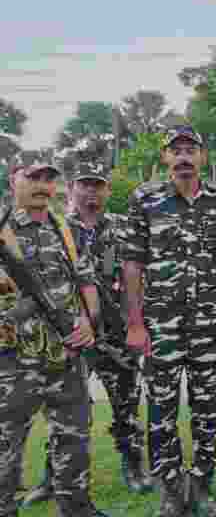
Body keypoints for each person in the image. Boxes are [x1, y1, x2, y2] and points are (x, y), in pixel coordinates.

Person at [123, 125, 216, 517]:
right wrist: (136, 322)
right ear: (165, 158)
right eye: (175, 150)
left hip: (208, 323)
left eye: (190, 149)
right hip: (160, 325)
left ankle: (203, 486)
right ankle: (171, 490)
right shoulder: (145, 199)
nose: (183, 156)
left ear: (202, 157)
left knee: (207, 408)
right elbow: (132, 262)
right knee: (161, 407)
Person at [21, 160, 151, 507]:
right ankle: (54, 477)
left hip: (115, 334)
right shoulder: (56, 227)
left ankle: (133, 466)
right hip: (72, 335)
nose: (91, 191)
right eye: (85, 184)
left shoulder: (122, 228)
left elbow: (136, 276)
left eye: (98, 185)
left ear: (106, 190)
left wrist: (134, 323)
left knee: (126, 405)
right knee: (64, 410)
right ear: (73, 188)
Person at [0, 151, 109, 517]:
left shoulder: (64, 228)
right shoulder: (3, 230)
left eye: (48, 179)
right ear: (14, 178)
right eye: (33, 177)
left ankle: (76, 509)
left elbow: (86, 281)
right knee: (5, 447)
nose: (43, 186)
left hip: (66, 357)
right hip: (14, 363)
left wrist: (89, 323)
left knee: (74, 441)